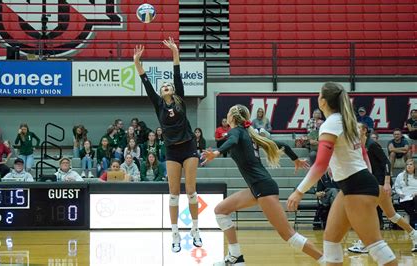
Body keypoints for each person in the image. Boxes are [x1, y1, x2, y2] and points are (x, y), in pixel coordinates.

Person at [287, 82, 397, 266]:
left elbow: (320, 164)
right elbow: (363, 155)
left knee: (375, 246)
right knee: (330, 241)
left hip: (357, 187)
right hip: (352, 186)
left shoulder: (331, 124)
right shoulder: (348, 121)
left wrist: (299, 192)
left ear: (323, 101)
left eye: (318, 95)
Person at [202, 104, 323, 265]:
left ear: (232, 117)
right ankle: (235, 257)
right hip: (257, 187)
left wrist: (216, 153)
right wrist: (295, 160)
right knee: (221, 211)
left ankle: (325, 260)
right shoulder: (250, 134)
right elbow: (284, 146)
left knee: (289, 235)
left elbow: (231, 141)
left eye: (228, 112)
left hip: (262, 187)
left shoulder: (236, 132)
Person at [134, 37, 203, 252]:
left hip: (189, 147)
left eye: (168, 86)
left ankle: (195, 229)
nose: (165, 87)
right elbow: (145, 81)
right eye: (163, 86)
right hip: (172, 150)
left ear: (173, 90)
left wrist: (175, 52)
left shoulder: (180, 99)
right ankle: (174, 233)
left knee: (191, 190)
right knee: (174, 193)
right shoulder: (158, 104)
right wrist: (137, 62)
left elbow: (177, 74)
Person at [348, 127, 417, 253]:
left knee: (366, 213)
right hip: (370, 183)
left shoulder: (372, 144)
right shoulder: (358, 146)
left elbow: (386, 162)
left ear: (364, 131)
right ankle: (414, 234)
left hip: (379, 183)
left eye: (357, 127)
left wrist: (386, 182)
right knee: (391, 215)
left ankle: (365, 243)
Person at [394, 159, 417, 229]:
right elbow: (396, 187)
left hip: (415, 196)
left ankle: (412, 223)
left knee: (415, 200)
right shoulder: (400, 175)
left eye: (411, 164)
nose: (409, 166)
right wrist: (400, 193)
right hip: (404, 197)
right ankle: (414, 221)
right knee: (407, 203)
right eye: (407, 164)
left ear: (415, 166)